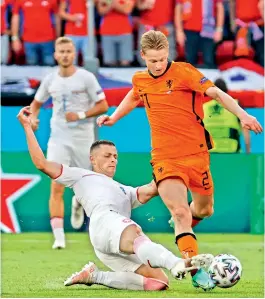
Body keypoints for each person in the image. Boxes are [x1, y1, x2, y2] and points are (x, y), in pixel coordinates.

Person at [97, 30, 263, 290]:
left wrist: (243, 115)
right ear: (143, 56)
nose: (158, 65)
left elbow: (217, 94)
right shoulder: (140, 79)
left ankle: (184, 228)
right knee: (180, 211)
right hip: (165, 157)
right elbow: (134, 94)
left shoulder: (185, 72)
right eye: (152, 60)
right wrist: (114, 117)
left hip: (197, 155)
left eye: (162, 59)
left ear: (168, 55)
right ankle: (195, 270)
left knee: (204, 210)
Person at [17, 106, 214, 291]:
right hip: (106, 222)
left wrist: (176, 161)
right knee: (135, 233)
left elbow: (153, 188)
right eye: (107, 156)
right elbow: (42, 164)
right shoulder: (80, 176)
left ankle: (95, 276)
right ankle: (176, 263)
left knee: (158, 283)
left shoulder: (124, 190)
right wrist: (27, 127)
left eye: (115, 156)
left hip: (109, 244)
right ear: (92, 159)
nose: (113, 159)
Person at [30, 36, 109, 249]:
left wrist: (81, 114)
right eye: (61, 52)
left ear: (75, 54)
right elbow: (36, 103)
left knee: (88, 186)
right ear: (56, 54)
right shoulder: (50, 79)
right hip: (59, 138)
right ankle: (59, 238)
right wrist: (33, 118)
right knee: (56, 185)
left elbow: (103, 105)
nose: (65, 55)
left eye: (68, 51)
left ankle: (77, 203)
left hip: (84, 139)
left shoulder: (86, 78)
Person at [203, 78, 251, 153]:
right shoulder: (236, 105)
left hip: (209, 152)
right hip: (231, 151)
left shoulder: (204, 107)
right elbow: (246, 130)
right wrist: (248, 151)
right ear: (226, 91)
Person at [175, 0, 224, 68]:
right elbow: (178, 7)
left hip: (209, 30)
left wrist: (219, 29)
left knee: (209, 61)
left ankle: (209, 78)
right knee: (190, 62)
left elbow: (219, 6)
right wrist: (179, 31)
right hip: (189, 29)